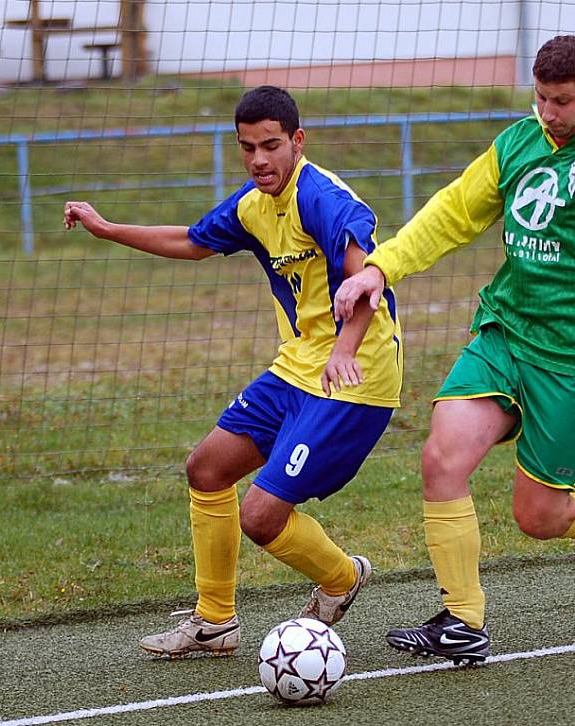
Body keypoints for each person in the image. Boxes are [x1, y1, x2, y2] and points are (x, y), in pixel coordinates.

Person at [334, 35, 575, 665]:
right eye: (541, 97)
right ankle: (462, 622)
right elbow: (451, 213)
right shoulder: (518, 142)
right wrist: (380, 269)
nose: (548, 112)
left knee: (539, 516)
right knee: (442, 455)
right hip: (507, 331)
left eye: (563, 101)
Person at [64, 85, 403, 658]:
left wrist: (344, 349)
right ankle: (215, 622)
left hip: (356, 376)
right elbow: (192, 242)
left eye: (271, 146)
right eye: (248, 148)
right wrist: (108, 229)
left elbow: (366, 276)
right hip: (295, 369)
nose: (259, 160)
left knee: (262, 516)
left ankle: (342, 577)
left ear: (298, 141)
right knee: (207, 469)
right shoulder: (253, 203)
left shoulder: (321, 199)